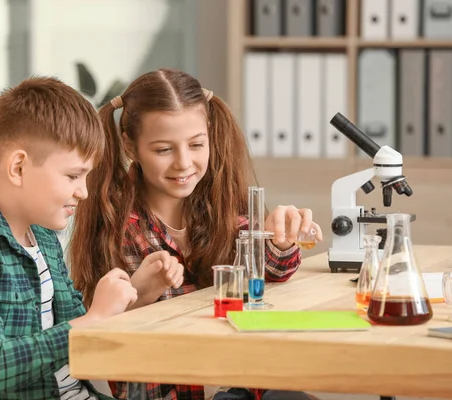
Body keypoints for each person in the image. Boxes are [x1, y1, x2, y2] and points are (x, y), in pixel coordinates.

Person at [68, 68, 323, 400]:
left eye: (196, 144)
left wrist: (280, 241)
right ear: (130, 146)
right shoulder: (119, 224)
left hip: (238, 381)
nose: (184, 163)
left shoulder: (218, 204)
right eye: (164, 150)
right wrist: (137, 294)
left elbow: (269, 273)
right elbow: (101, 331)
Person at [0, 76, 143, 400]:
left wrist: (137, 294)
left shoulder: (43, 236)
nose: (84, 191)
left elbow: (78, 340)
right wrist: (93, 319)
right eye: (72, 175)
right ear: (19, 167)